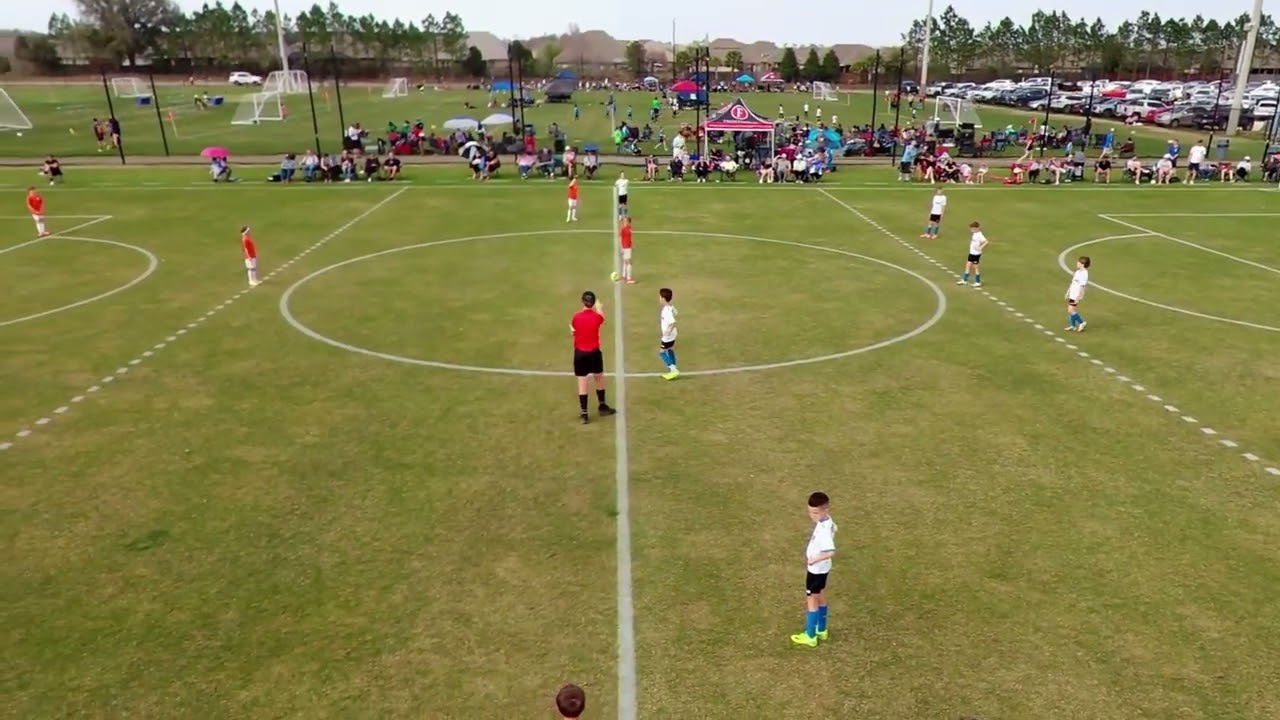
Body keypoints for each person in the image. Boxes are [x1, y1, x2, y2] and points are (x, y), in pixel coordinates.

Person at [790, 491, 836, 648]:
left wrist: (814, 559)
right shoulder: (827, 522)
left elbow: (830, 552)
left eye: (815, 512)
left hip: (816, 569)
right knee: (820, 594)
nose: (812, 515)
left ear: (825, 510)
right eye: (810, 511)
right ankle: (821, 629)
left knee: (811, 598)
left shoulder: (823, 530)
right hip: (823, 569)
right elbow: (835, 528)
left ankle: (810, 635)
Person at [570, 291, 616, 424]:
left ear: (582, 301)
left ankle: (584, 414)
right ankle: (602, 406)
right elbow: (602, 317)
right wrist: (600, 307)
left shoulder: (576, 317)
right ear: (593, 303)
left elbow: (573, 331)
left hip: (580, 353)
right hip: (594, 353)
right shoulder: (596, 317)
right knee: (599, 378)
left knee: (582, 382)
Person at [957, 221, 988, 288]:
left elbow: (986, 241)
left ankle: (978, 282)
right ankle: (964, 280)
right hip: (972, 253)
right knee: (968, 265)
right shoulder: (974, 234)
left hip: (976, 254)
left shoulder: (979, 235)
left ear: (977, 228)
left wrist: (980, 248)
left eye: (972, 228)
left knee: (975, 267)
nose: (971, 230)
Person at [658, 287, 679, 380]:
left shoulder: (666, 310)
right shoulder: (671, 307)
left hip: (668, 336)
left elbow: (672, 322)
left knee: (661, 353)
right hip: (673, 334)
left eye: (660, 297)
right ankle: (673, 369)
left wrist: (666, 333)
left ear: (663, 299)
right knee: (670, 349)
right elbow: (676, 313)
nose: (659, 298)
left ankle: (673, 370)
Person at [1065, 255, 1090, 332]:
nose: (1077, 263)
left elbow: (1082, 287)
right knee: (1072, 310)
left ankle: (1082, 322)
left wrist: (1078, 297)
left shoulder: (1084, 274)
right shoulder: (1077, 272)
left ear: (1082, 264)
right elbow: (1073, 283)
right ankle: (1072, 326)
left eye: (1078, 262)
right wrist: (1068, 291)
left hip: (1076, 295)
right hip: (1072, 293)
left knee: (1070, 310)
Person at [618, 216, 634, 283]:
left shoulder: (629, 228)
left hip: (628, 247)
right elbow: (620, 238)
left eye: (626, 221)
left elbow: (630, 238)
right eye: (624, 221)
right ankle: (629, 278)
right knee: (629, 262)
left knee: (625, 262)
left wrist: (632, 245)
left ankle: (624, 277)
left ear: (629, 222)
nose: (624, 222)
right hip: (625, 247)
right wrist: (621, 247)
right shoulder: (623, 229)